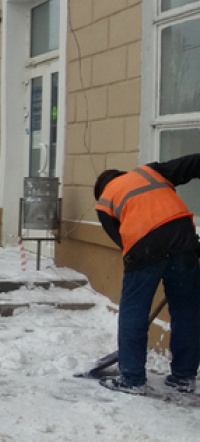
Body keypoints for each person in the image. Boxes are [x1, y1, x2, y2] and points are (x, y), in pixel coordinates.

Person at [93, 153, 200, 395]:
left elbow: (124, 243)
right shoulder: (149, 172)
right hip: (183, 238)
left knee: (134, 309)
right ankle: (184, 377)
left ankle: (132, 378)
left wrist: (145, 260)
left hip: (145, 245)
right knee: (186, 310)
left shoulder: (104, 202)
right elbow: (192, 164)